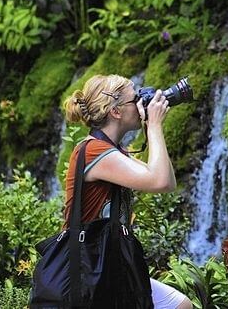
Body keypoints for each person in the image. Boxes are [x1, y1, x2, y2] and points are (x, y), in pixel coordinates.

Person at [63, 74, 193, 309]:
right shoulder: (94, 151)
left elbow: (167, 181)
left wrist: (151, 128)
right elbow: (161, 181)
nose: (142, 103)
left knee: (180, 305)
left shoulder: (111, 151)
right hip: (88, 267)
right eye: (136, 98)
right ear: (116, 111)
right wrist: (154, 126)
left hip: (108, 261)